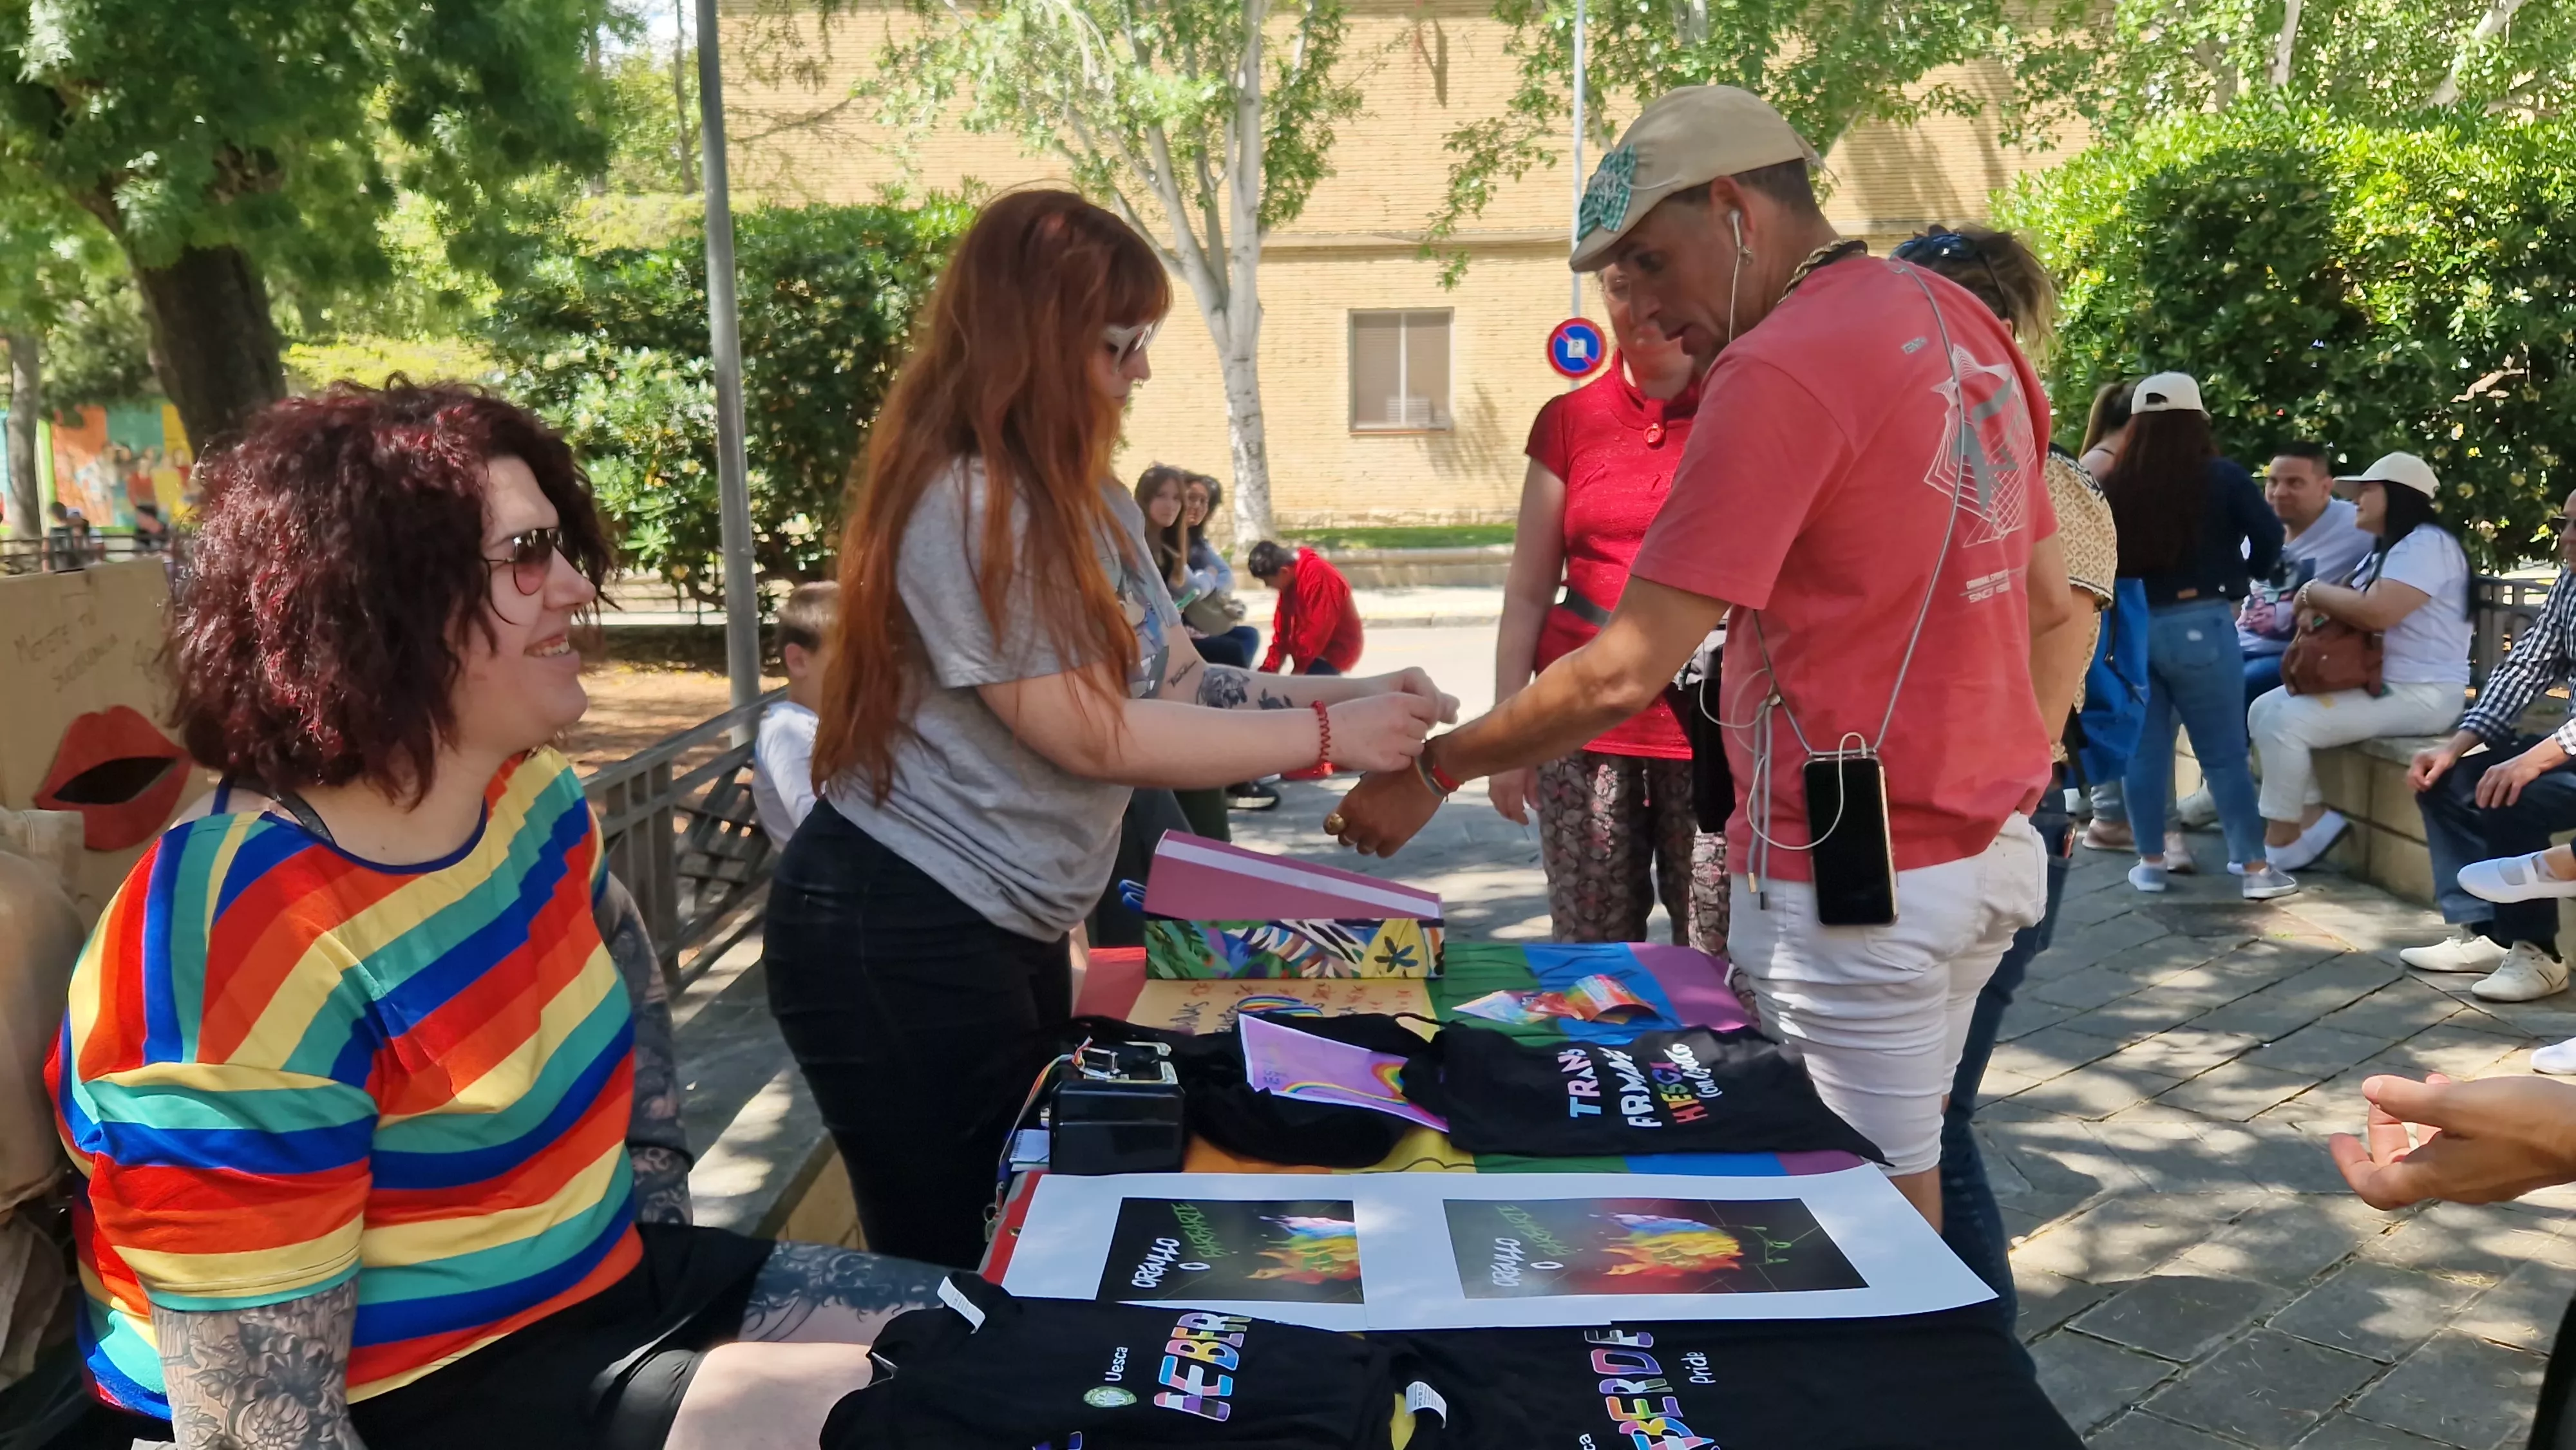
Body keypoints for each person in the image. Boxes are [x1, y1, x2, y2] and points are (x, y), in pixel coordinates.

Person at [48, 382, 949, 1450]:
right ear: (373, 599)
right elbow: (259, 1430)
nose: (575, 585)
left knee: (1023, 1356)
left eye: (560, 545)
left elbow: (620, 948)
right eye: (527, 553)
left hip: (602, 1300)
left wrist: (652, 1204)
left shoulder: (525, 796)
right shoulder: (231, 945)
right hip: (411, 1401)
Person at [1327, 84, 2080, 1230]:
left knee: (1859, 1224)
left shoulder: (1777, 366)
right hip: (1985, 844)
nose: (1655, 312)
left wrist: (1435, 767)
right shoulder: (1955, 318)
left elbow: (1627, 663)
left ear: (1735, 209)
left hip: (1855, 860)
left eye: (1655, 263)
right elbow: (2041, 597)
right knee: (1904, 1176)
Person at [762, 190, 1452, 1272]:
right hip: (895, 929)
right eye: (1121, 342)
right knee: (950, 1253)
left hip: (1005, 925)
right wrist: (1330, 730)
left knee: (1022, 1223)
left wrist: (1364, 692)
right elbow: (1093, 734)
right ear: (1036, 339)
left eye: (1145, 343)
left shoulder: (1093, 505)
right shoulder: (969, 504)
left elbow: (1179, 683)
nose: (1138, 371)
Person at [1895, 221, 2117, 1319]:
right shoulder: (1965, 471)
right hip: (1945, 822)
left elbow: (2040, 699)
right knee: (1911, 1117)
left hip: (1990, 823)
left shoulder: (2050, 488)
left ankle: (1979, 1364)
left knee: (1929, 1121)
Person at [1488, 257, 1726, 952]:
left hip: (1705, 729)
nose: (1640, 307)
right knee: (1589, 950)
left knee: (1712, 947)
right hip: (1581, 731)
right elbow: (1527, 590)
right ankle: (1596, 1064)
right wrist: (1508, 738)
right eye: (1620, 288)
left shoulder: (1736, 411)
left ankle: (1707, 1064)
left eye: (1656, 285)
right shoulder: (1569, 421)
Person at [2101, 371, 2291, 898]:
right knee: (2224, 753)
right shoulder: (2223, 477)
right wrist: (2242, 579)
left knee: (2145, 753)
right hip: (2203, 622)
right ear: (2197, 422)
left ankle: (2150, 864)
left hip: (2134, 626)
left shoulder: (2114, 484)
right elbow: (2270, 536)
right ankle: (2254, 870)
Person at [2246, 451, 2468, 875]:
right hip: (2383, 686)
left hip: (2421, 693)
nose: (2357, 501)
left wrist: (2312, 592)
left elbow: (2378, 611)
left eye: (2367, 491)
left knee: (2285, 722)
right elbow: (2357, 607)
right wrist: (2318, 604)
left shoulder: (2428, 543)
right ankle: (2310, 820)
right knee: (2264, 709)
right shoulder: (2388, 550)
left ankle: (2283, 837)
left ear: (2398, 497)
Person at [2401, 487, 2576, 1008]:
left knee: (2512, 792)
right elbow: (2527, 666)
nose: (2567, 539)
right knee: (2448, 782)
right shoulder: (2570, 583)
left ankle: (2539, 955)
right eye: (2565, 523)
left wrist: (2537, 758)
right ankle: (2488, 933)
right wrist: (2457, 746)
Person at [1134, 466, 1236, 838]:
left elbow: (1213, 581)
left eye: (1177, 498)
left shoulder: (1173, 547)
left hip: (1169, 653)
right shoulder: (1133, 543)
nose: (1171, 505)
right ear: (1144, 499)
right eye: (1161, 496)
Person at [2236, 443, 2374, 701]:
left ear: (2325, 487)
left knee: (2240, 686)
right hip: (2238, 646)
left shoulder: (2358, 525)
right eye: (2273, 482)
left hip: (2298, 651)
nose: (2279, 493)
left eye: (2295, 483)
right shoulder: (2264, 527)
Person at [2078, 381, 2141, 852]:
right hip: (2109, 600)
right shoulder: (2104, 466)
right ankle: (2108, 816)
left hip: (2110, 598)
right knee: (2109, 698)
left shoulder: (2102, 460)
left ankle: (2103, 808)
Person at [753, 580, 838, 849]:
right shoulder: (788, 729)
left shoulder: (830, 725)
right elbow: (824, 834)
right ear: (799, 661)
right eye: (853, 654)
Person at [1180, 473, 1262, 669]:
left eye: (1204, 501)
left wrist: (1205, 583)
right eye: (1191, 498)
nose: (1198, 507)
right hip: (1170, 626)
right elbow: (1193, 589)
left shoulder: (1194, 539)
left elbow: (1225, 575)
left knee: (1249, 636)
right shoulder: (1164, 541)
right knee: (1231, 650)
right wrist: (1208, 576)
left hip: (1192, 620)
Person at [1249, 539, 1363, 677]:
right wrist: (1267, 673)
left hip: (1334, 650)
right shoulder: (1290, 579)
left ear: (1284, 571)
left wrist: (1298, 672)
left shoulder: (1318, 575)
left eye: (1267, 582)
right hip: (1310, 651)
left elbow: (1317, 630)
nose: (1268, 586)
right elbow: (1282, 633)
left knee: (1301, 695)